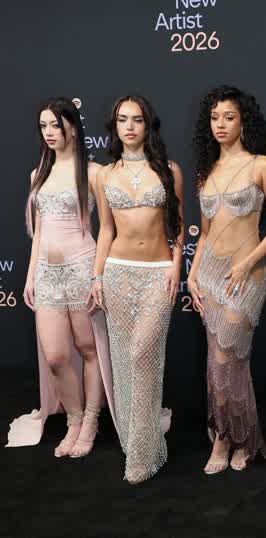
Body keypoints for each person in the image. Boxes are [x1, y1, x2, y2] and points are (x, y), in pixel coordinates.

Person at [7, 97, 114, 458]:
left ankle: (91, 422)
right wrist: (30, 276)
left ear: (73, 126)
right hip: (47, 274)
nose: (49, 132)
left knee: (88, 348)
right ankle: (74, 418)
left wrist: (97, 276)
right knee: (55, 355)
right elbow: (38, 232)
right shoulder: (38, 174)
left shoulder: (94, 173)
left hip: (82, 269)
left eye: (55, 124)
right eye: (43, 126)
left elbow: (106, 228)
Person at [187, 86, 266, 474]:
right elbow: (204, 233)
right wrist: (192, 275)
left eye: (229, 117)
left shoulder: (261, 165)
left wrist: (247, 263)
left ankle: (238, 438)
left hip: (247, 275)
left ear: (244, 121)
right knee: (219, 362)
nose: (221, 125)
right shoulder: (206, 172)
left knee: (228, 356)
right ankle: (226, 437)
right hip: (211, 275)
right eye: (215, 118)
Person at [90, 95, 183, 484]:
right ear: (114, 126)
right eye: (122, 120)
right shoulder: (104, 175)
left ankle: (142, 456)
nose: (129, 126)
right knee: (125, 363)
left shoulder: (169, 170)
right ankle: (138, 442)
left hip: (158, 273)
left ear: (148, 125)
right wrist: (96, 277)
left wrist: (176, 267)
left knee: (144, 354)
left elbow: (177, 227)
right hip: (117, 274)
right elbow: (105, 230)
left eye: (137, 119)